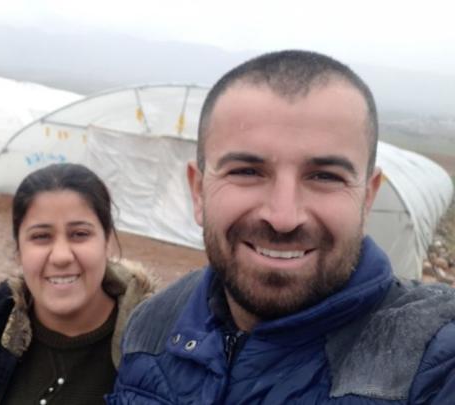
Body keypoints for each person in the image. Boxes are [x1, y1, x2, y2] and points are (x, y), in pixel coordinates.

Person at [108, 50, 455, 404]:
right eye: (246, 171)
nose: (283, 216)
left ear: (367, 198)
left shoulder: (434, 363)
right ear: (198, 192)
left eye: (324, 176)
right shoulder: (152, 327)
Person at [0, 163, 156, 405]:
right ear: (19, 249)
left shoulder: (157, 343)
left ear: (107, 242)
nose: (61, 256)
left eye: (79, 234)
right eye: (41, 236)